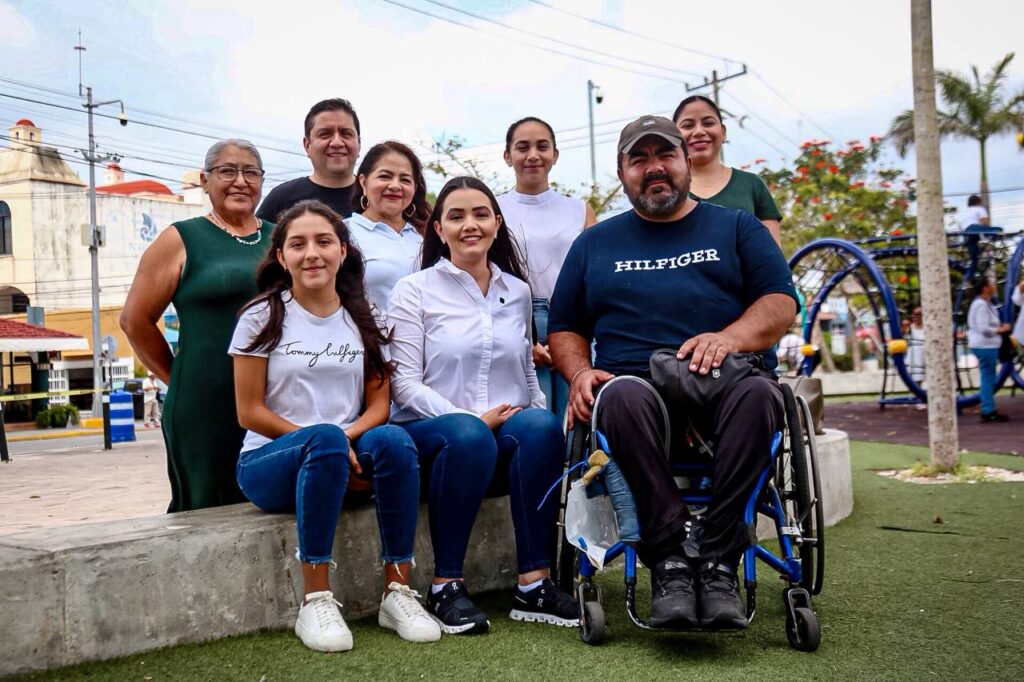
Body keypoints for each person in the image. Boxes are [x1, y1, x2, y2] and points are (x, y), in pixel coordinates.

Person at [548, 116, 799, 630]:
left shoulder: (736, 227)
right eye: (639, 159)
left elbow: (779, 303)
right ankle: (670, 560)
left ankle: (717, 559)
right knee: (616, 397)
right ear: (622, 172)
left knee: (761, 396)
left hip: (727, 379)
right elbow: (565, 326)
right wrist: (578, 373)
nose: (654, 167)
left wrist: (729, 338)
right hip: (637, 391)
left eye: (665, 155)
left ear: (686, 162)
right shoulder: (595, 243)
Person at [231, 200, 439, 651]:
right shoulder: (261, 317)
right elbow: (249, 411)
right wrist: (323, 443)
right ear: (281, 257)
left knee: (394, 440)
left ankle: (398, 591)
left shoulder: (364, 317)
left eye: (324, 242)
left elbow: (379, 404)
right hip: (270, 464)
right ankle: (316, 600)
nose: (312, 254)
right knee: (322, 439)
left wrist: (343, 441)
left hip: (343, 454)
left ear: (343, 251)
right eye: (298, 244)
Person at [387, 176, 578, 635]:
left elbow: (526, 368)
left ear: (496, 222)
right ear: (438, 229)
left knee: (543, 426)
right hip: (434, 435)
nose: (469, 224)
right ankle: (445, 586)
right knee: (468, 434)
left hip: (499, 431)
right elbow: (404, 385)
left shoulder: (516, 291)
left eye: (480, 214)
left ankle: (533, 584)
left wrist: (534, 409)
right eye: (456, 216)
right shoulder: (413, 291)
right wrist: (470, 418)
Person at [121, 139, 273, 512]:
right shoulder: (181, 238)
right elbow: (134, 320)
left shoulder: (280, 237)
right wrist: (180, 379)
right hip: (204, 405)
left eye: (250, 172)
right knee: (205, 512)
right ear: (205, 181)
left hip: (273, 402)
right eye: (227, 171)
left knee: (270, 508)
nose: (240, 181)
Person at [497, 117, 597, 419]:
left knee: (578, 414)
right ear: (507, 156)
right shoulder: (492, 209)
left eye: (542, 146)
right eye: (522, 147)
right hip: (516, 315)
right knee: (531, 417)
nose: (532, 155)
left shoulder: (580, 209)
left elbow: (594, 275)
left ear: (555, 154)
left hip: (573, 319)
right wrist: (525, 339)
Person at [673, 95, 782, 245]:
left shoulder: (751, 185)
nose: (699, 131)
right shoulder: (667, 190)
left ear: (723, 132)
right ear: (674, 137)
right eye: (688, 125)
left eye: (708, 123)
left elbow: (773, 257)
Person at [348, 141, 431, 312]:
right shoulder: (343, 233)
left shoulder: (427, 235)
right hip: (369, 337)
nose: (395, 186)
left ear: (414, 188)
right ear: (363, 182)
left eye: (405, 179)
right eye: (385, 176)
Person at [257, 99, 362, 222]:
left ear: (359, 144)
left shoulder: (375, 198)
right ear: (307, 145)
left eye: (346, 134)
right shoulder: (281, 199)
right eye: (325, 134)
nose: (337, 143)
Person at [967, 275, 1011, 423]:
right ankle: (987, 410)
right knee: (987, 378)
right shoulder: (980, 305)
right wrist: (1001, 329)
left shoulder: (987, 304)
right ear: (985, 288)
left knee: (989, 377)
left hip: (988, 345)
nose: (994, 286)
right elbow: (983, 327)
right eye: (992, 284)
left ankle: (989, 408)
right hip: (985, 345)